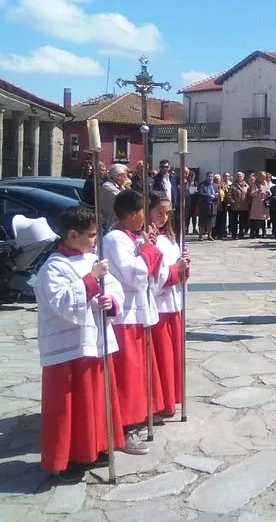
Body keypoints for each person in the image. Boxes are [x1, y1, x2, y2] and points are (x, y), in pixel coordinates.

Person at [34, 206, 126, 478]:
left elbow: (115, 287)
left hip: (94, 341)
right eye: (91, 235)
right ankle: (69, 458)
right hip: (68, 347)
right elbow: (63, 304)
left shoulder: (90, 259)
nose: (96, 239)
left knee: (95, 400)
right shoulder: (53, 267)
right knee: (69, 406)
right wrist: (92, 279)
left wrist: (111, 302)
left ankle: (95, 447)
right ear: (72, 235)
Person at [102, 189, 163, 455]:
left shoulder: (131, 237)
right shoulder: (115, 239)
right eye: (142, 212)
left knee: (138, 371)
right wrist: (148, 250)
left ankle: (138, 416)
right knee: (127, 374)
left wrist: (147, 245)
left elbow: (148, 270)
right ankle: (124, 429)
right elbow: (134, 276)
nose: (144, 218)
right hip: (125, 314)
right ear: (132, 213)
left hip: (138, 313)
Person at [147, 192, 190, 420]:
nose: (163, 218)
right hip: (158, 305)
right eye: (159, 213)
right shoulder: (148, 239)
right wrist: (176, 270)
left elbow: (177, 267)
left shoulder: (171, 237)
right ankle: (157, 403)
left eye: (167, 214)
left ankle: (170, 398)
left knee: (172, 356)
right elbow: (153, 275)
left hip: (173, 302)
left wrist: (185, 265)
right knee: (161, 356)